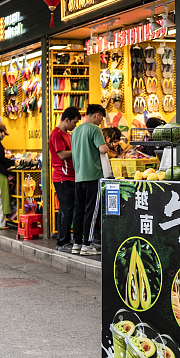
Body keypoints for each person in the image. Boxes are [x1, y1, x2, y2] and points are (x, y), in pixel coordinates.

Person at [71, 104, 109, 256]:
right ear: (96, 115)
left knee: (79, 211)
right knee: (91, 211)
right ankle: (87, 244)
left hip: (79, 176)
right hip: (93, 176)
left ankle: (77, 243)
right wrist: (107, 146)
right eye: (101, 118)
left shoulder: (75, 131)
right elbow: (103, 149)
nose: (101, 121)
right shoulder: (95, 129)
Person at [49, 107, 80, 252]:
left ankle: (65, 240)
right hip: (62, 177)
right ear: (66, 120)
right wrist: (78, 151)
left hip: (70, 176)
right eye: (74, 122)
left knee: (67, 209)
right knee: (66, 210)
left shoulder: (67, 134)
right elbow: (61, 155)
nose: (75, 125)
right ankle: (62, 242)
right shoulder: (56, 134)